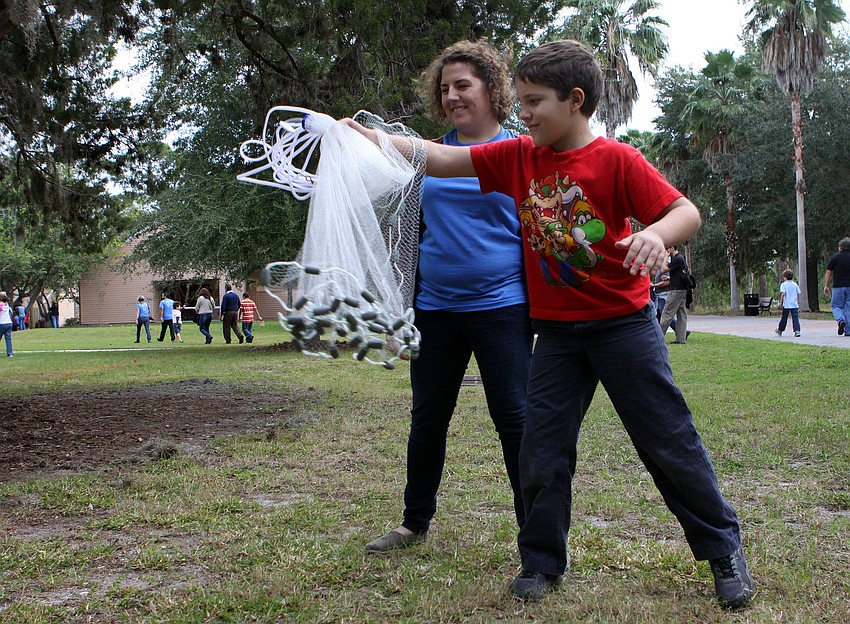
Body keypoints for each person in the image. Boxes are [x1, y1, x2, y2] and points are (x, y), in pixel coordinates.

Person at [345, 38, 753, 609]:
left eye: (535, 101)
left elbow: (685, 211)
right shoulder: (518, 156)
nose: (525, 112)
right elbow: (434, 158)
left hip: (622, 325)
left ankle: (722, 550)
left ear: (575, 100)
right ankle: (541, 562)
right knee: (541, 449)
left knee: (665, 439)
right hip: (557, 332)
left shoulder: (617, 159)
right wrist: (359, 137)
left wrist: (655, 235)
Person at [363, 41, 533, 554]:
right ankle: (414, 522)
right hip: (435, 308)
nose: (454, 96)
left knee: (516, 421)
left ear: (492, 90)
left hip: (503, 306)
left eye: (464, 85)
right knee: (428, 417)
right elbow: (404, 229)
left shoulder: (520, 153)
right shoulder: (422, 159)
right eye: (445, 89)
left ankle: (536, 530)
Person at [658, 244, 690, 344]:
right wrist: (668, 278)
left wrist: (665, 257)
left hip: (676, 290)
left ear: (672, 247)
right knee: (681, 314)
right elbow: (679, 274)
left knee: (667, 313)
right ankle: (681, 339)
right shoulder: (680, 258)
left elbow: (664, 269)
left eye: (667, 248)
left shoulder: (676, 258)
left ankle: (658, 338)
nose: (666, 250)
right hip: (683, 289)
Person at [824, 237, 850, 337]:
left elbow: (828, 272)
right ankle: (848, 330)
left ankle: (840, 320)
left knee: (835, 306)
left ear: (840, 247)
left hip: (838, 286)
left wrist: (826, 286)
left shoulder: (835, 258)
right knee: (848, 308)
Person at [775, 269, 801, 337]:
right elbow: (798, 294)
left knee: (784, 318)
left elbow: (783, 293)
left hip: (786, 304)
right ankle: (797, 331)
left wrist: (780, 302)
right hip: (794, 304)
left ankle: (780, 330)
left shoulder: (783, 285)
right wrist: (798, 302)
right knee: (795, 318)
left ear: (785, 277)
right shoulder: (795, 284)